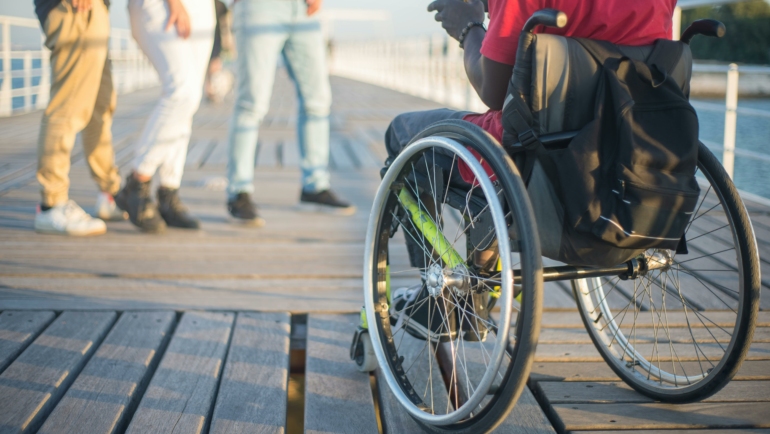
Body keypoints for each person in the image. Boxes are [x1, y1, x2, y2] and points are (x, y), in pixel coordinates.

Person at [386, 0, 678, 340]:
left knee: (401, 134)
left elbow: (492, 90)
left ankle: (440, 302)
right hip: (625, 158)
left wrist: (469, 29)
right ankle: (479, 279)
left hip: (533, 162)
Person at [225, 0, 355, 226]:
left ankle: (314, 187)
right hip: (260, 7)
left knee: (318, 101)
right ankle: (239, 191)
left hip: (304, 9)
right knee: (251, 103)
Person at [116, 0, 215, 232]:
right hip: (161, 4)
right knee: (183, 92)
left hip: (203, 8)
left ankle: (168, 193)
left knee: (188, 102)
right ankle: (137, 182)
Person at [33, 0, 126, 236]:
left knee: (99, 107)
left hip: (95, 10)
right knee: (68, 106)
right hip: (74, 9)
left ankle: (109, 193)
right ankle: (51, 205)